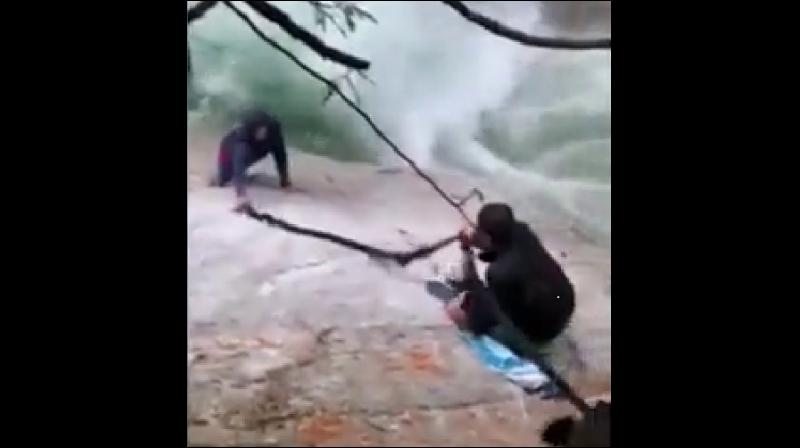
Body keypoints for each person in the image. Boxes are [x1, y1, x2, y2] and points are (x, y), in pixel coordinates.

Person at [445, 203, 575, 356]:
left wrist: (466, 250)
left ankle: (525, 344)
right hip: (564, 304)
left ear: (486, 235)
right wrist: (477, 240)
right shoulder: (522, 230)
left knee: (457, 313)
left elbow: (477, 291)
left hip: (542, 332)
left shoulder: (499, 273)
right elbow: (498, 246)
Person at [210, 110, 291, 208]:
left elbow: (281, 156)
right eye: (258, 130)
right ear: (253, 129)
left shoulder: (273, 131)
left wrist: (284, 181)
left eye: (263, 129)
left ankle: (246, 179)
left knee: (275, 147)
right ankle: (216, 179)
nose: (261, 132)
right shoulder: (243, 137)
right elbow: (238, 165)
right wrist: (241, 195)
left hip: (256, 150)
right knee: (224, 179)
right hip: (228, 150)